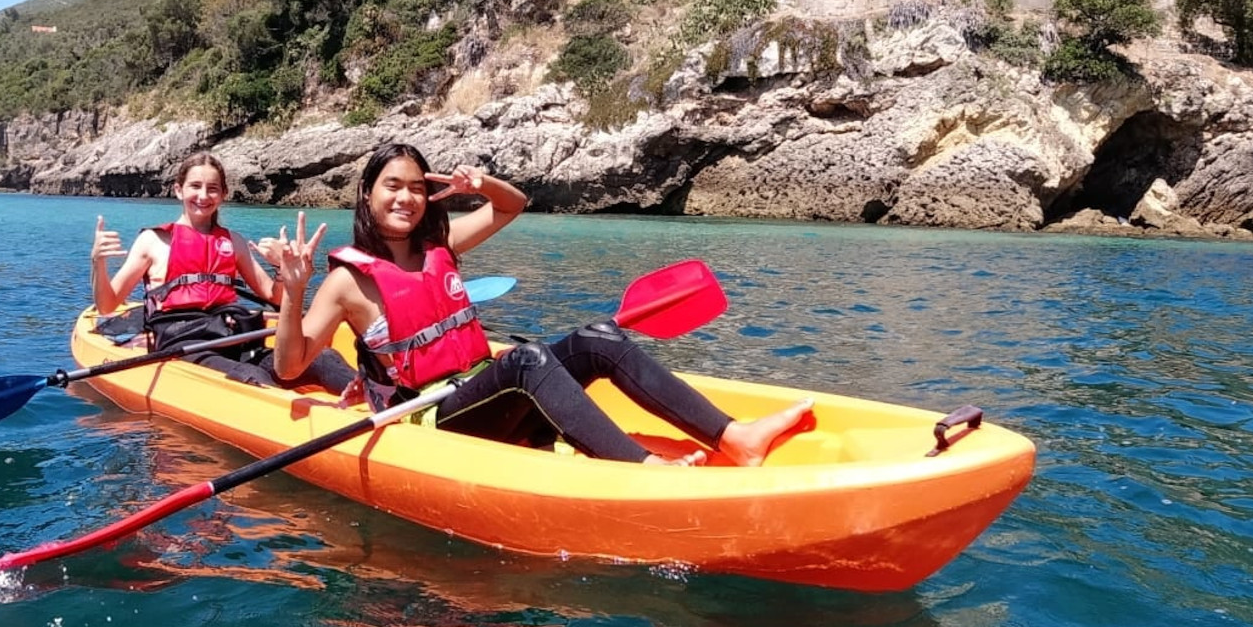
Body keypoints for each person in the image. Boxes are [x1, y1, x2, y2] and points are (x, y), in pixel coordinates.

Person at [264, 141, 810, 465]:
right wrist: (294, 290)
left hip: (482, 393)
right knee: (527, 359)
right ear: (367, 193)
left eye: (416, 187)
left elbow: (512, 206)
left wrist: (482, 183)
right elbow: (290, 366)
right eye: (392, 186)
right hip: (434, 418)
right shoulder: (347, 281)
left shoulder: (440, 245)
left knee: (597, 338)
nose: (406, 197)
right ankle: (643, 468)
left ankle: (734, 437)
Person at [91, 152, 354, 392]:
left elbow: (274, 296)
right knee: (252, 376)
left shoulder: (233, 242)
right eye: (195, 186)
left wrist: (282, 270)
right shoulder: (154, 240)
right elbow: (107, 305)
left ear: (223, 194)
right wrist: (98, 262)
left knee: (324, 359)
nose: (203, 196)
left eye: (212, 188)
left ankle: (371, 398)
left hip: (234, 339)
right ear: (179, 190)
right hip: (186, 346)